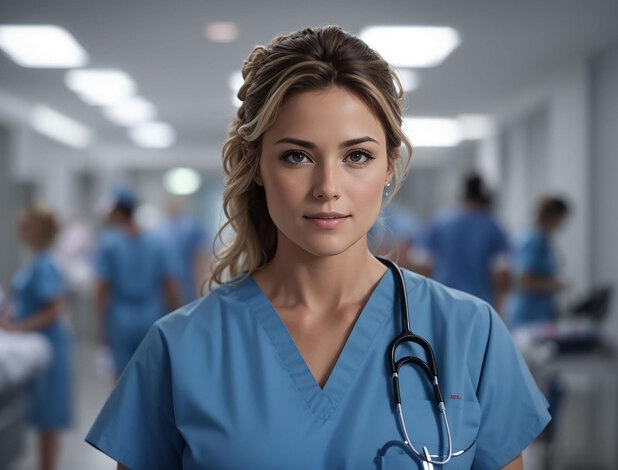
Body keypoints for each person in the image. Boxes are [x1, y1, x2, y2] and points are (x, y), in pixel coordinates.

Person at [86, 26, 549, 469]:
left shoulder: (470, 334)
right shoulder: (181, 347)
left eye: (356, 156)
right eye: (297, 156)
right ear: (257, 165)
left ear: (389, 165)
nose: (328, 187)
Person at [0, 203, 72, 470]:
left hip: (48, 346)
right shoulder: (37, 260)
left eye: (24, 227)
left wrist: (16, 328)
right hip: (40, 342)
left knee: (48, 418)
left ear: (36, 230)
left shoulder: (44, 264)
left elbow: (54, 309)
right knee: (41, 414)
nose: (19, 231)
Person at [93, 186, 180, 378]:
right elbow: (170, 285)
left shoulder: (109, 242)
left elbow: (101, 288)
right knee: (149, 375)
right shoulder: (156, 241)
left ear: (117, 211)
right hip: (152, 315)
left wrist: (100, 326)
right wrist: (177, 319)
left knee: (122, 377)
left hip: (120, 317)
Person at [417, 174, 511, 312]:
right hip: (480, 305)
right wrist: (498, 312)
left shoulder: (440, 222)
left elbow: (424, 267)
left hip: (443, 301)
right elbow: (501, 274)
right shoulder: (493, 226)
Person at [507, 196, 570, 331]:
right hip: (529, 316)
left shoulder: (543, 240)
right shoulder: (533, 240)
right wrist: (555, 285)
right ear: (553, 216)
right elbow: (524, 280)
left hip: (540, 315)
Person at [157, 196, 208, 303]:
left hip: (187, 284)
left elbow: (199, 258)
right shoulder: (161, 228)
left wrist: (200, 285)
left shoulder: (191, 227)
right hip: (170, 285)